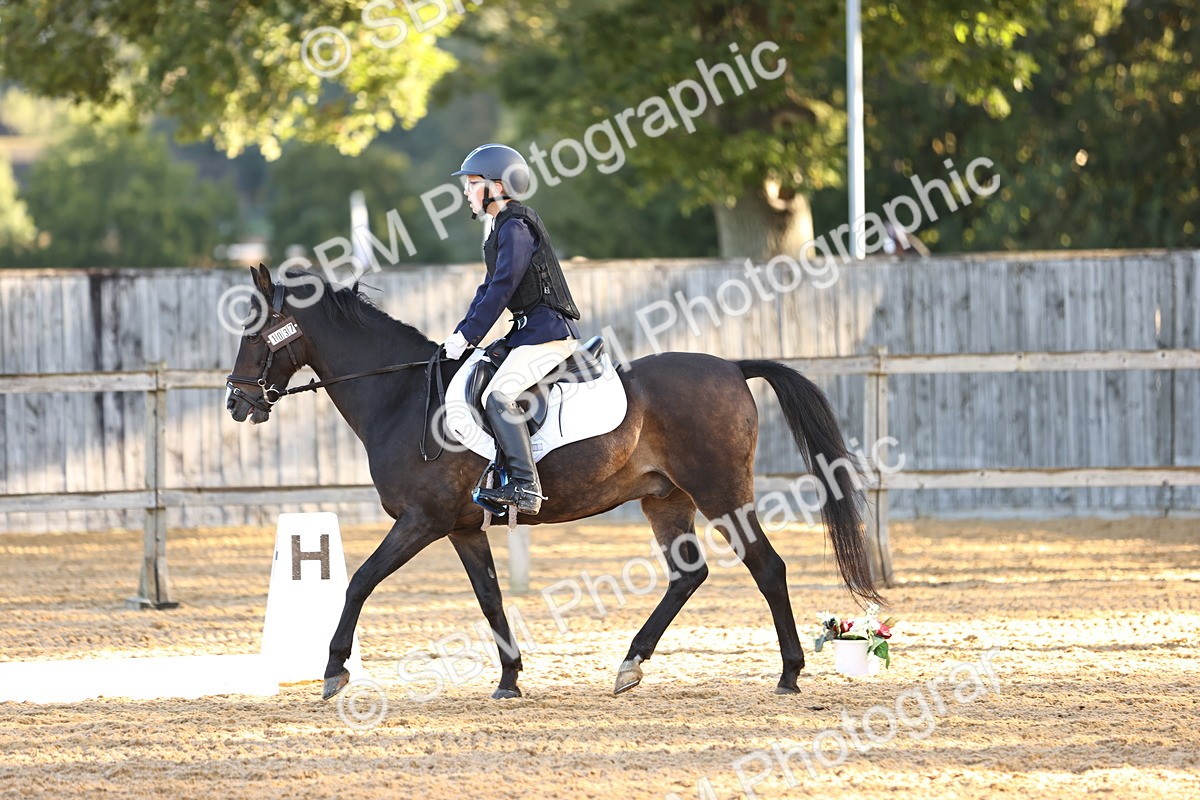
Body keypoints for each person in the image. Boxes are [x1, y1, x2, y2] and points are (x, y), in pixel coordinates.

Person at [441, 144, 582, 515]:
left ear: (498, 186)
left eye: (472, 184)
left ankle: (525, 486)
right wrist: (460, 334)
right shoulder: (499, 228)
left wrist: (469, 336)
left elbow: (503, 286)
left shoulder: (516, 227)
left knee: (498, 396)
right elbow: (487, 289)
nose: (466, 192)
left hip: (548, 332)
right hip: (526, 331)